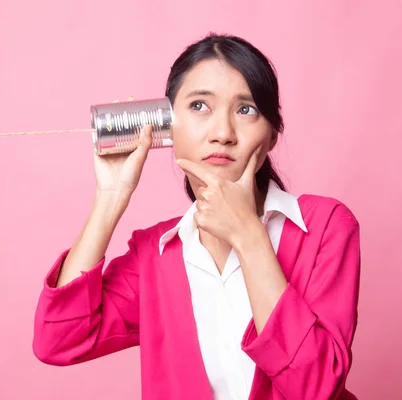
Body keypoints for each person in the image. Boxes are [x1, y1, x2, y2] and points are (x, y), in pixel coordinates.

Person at [32, 33, 361, 400]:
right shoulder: (154, 256)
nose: (222, 133)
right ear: (166, 127)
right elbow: (57, 340)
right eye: (200, 106)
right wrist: (110, 197)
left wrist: (249, 236)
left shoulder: (325, 226)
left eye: (246, 109)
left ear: (272, 135)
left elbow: (316, 388)